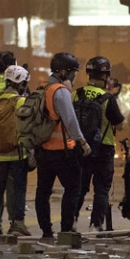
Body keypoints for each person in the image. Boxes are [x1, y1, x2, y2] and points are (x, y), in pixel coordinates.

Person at [35, 52, 91, 239]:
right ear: (63, 72)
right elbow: (70, 119)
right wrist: (82, 141)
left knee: (43, 192)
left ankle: (46, 231)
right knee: (73, 188)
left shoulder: (42, 87)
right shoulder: (60, 91)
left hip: (43, 150)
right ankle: (66, 229)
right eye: (73, 72)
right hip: (62, 151)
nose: (74, 76)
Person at [73, 56, 125, 231]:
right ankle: (96, 225)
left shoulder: (76, 94)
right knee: (101, 190)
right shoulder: (108, 99)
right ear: (105, 75)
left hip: (81, 147)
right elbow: (120, 125)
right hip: (104, 148)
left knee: (79, 187)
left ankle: (71, 221)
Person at [0, 65, 31, 237]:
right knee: (18, 189)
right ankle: (18, 224)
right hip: (17, 153)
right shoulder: (21, 101)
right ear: (21, 84)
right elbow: (26, 126)